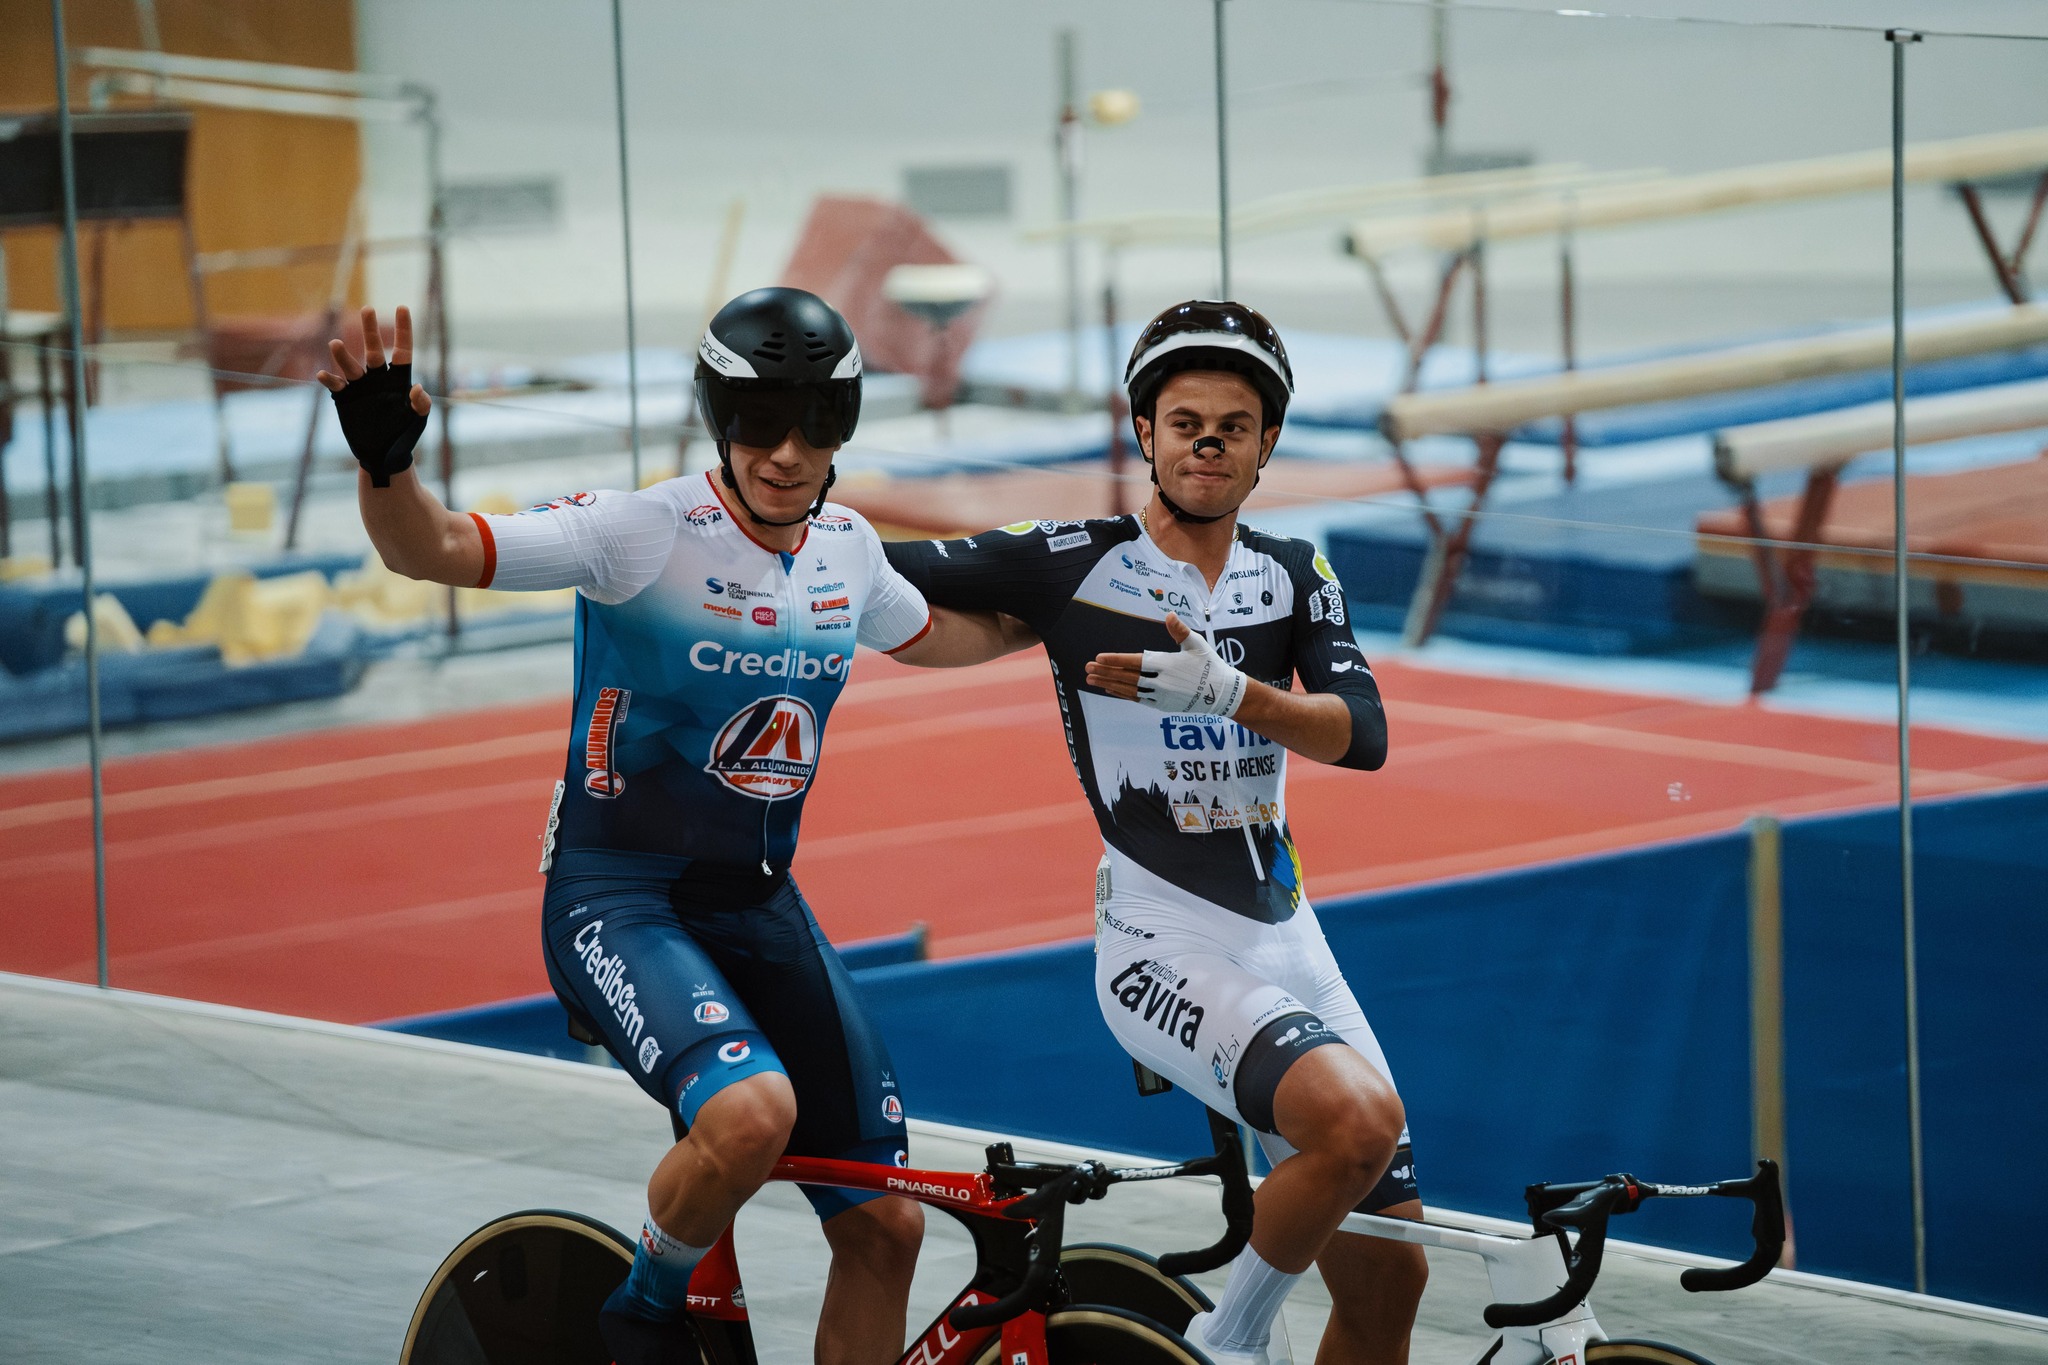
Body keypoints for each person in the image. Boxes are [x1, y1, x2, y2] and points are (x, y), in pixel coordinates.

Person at [321, 288, 1034, 1365]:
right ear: (717, 417)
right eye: (757, 421)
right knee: (751, 1117)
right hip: (619, 897)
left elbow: (948, 637)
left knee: (886, 1226)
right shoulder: (638, 534)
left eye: (815, 425)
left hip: (757, 903)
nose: (786, 452)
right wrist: (386, 468)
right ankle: (637, 1321)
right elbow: (426, 551)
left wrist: (1077, 610)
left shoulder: (847, 550)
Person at [882, 301, 1426, 1365]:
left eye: (1233, 423)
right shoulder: (1068, 560)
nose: (1207, 442)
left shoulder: (1294, 571)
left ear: (1267, 444)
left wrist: (1231, 693)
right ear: (1144, 434)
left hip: (1286, 938)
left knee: (1389, 1283)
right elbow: (884, 570)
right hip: (1158, 944)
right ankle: (1226, 1345)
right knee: (1355, 1125)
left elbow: (1360, 736)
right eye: (1184, 421)